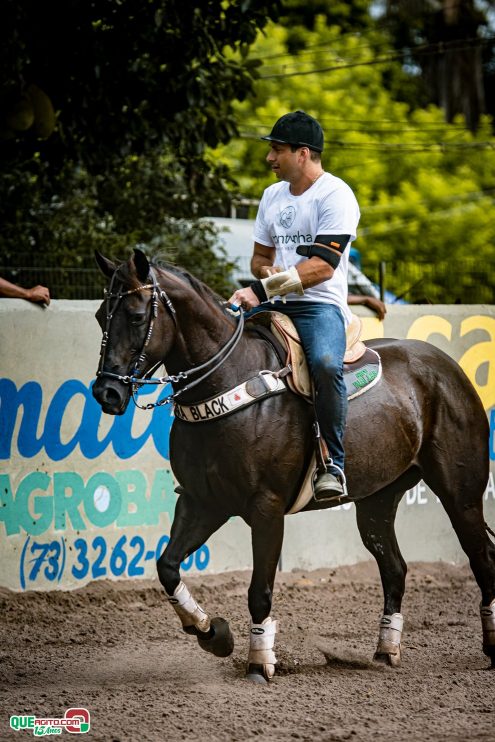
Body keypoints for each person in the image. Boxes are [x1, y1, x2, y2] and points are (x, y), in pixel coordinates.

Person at [228, 110, 361, 501]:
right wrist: (266, 272)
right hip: (276, 302)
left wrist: (263, 288)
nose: (270, 158)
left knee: (323, 364)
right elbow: (258, 259)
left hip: (320, 307)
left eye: (277, 150)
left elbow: (321, 268)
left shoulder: (336, 195)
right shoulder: (271, 196)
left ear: (303, 153)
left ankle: (333, 463)